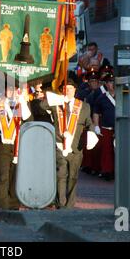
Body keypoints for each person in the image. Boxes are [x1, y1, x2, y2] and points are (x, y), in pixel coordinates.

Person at [41, 78, 96, 208]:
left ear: (75, 90)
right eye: (65, 89)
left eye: (70, 89)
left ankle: (69, 205)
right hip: (60, 145)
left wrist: (92, 132)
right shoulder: (57, 104)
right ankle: (61, 202)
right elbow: (42, 106)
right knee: (61, 175)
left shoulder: (84, 106)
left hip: (76, 147)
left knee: (73, 177)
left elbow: (89, 122)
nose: (68, 91)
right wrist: (59, 99)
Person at [0, 83, 32, 210]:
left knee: (14, 178)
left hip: (17, 146)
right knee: (3, 177)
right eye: (9, 89)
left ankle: (14, 206)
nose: (11, 92)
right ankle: (3, 206)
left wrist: (22, 102)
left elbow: (28, 119)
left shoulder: (21, 105)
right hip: (2, 146)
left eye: (14, 90)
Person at [93, 72, 116, 181]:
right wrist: (96, 126)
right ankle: (107, 171)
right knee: (106, 151)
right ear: (106, 84)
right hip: (107, 128)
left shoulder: (124, 95)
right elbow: (96, 112)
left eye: (114, 82)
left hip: (120, 129)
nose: (112, 84)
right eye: (110, 82)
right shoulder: (101, 98)